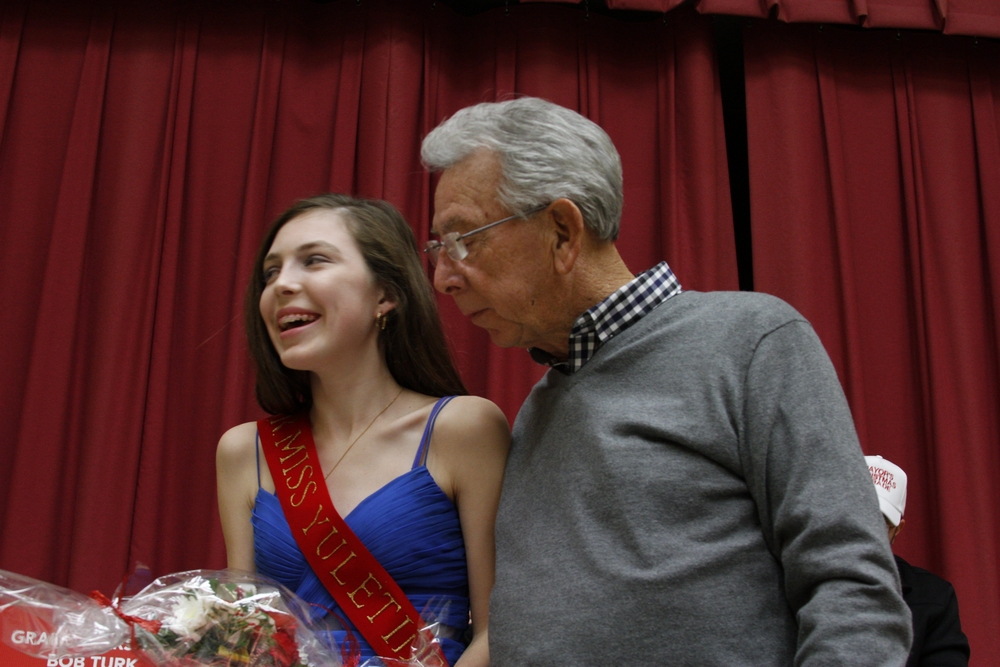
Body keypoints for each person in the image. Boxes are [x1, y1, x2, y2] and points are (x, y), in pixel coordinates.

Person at [420, 97, 912, 666]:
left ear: (561, 231)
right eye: (437, 247)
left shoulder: (751, 341)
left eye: (463, 239)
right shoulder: (537, 410)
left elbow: (853, 588)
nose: (442, 277)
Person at [216, 194, 510, 667]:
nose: (282, 284)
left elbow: (501, 632)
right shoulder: (242, 451)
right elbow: (240, 638)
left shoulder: (464, 429)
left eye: (314, 260)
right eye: (270, 272)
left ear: (385, 295)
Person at [866, 455, 971, 667]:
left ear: (897, 529)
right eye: (857, 516)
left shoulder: (933, 597)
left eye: (878, 522)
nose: (865, 531)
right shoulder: (796, 583)